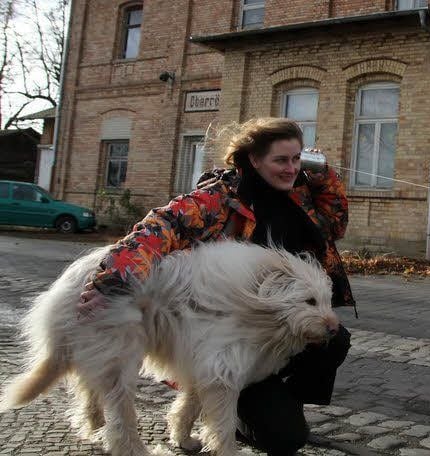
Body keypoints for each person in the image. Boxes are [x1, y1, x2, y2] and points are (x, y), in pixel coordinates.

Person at [78, 117, 354, 455]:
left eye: (297, 159)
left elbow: (336, 223)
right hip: (229, 333)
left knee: (335, 340)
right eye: (281, 160)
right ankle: (247, 409)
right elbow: (156, 229)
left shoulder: (301, 194)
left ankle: (281, 401)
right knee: (283, 439)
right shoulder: (220, 196)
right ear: (254, 159)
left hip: (279, 327)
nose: (291, 168)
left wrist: (324, 173)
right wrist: (113, 280)